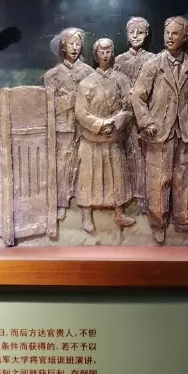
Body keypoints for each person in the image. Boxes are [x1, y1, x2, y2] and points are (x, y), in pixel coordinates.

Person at [131, 16, 188, 244]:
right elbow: (138, 96)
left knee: (185, 179)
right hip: (159, 133)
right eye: (167, 33)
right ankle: (158, 223)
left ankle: (182, 219)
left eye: (175, 34)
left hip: (184, 133)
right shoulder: (153, 65)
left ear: (185, 37)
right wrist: (146, 122)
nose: (170, 38)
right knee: (158, 180)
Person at [74, 38, 136, 233]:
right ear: (95, 54)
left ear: (113, 53)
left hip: (113, 136)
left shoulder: (121, 80)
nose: (105, 55)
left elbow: (128, 108)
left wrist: (115, 122)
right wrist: (100, 125)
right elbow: (80, 112)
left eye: (109, 51)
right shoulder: (87, 82)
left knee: (117, 174)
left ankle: (119, 212)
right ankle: (86, 215)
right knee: (89, 177)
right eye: (102, 51)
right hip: (92, 138)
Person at [43, 27, 95, 222]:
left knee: (86, 166)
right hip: (63, 128)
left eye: (78, 44)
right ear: (62, 46)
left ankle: (86, 210)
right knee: (62, 165)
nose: (74, 48)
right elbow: (51, 106)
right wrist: (74, 98)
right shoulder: (52, 75)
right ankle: (61, 203)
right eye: (70, 44)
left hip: (85, 128)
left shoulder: (89, 73)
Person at [114, 17, 157, 213]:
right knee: (126, 154)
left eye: (139, 32)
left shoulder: (153, 59)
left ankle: (144, 196)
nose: (135, 36)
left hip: (146, 116)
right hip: (126, 116)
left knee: (145, 156)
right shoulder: (119, 60)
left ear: (146, 34)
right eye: (132, 32)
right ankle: (126, 194)